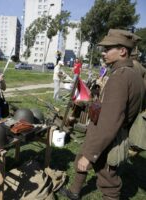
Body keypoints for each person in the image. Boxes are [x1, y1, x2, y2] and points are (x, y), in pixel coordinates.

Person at [60, 29, 144, 200]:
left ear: (122, 51)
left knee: (108, 181)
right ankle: (75, 192)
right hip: (105, 131)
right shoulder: (135, 74)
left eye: (107, 49)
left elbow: (110, 122)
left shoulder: (120, 77)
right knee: (80, 158)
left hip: (108, 136)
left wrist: (91, 155)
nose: (103, 53)